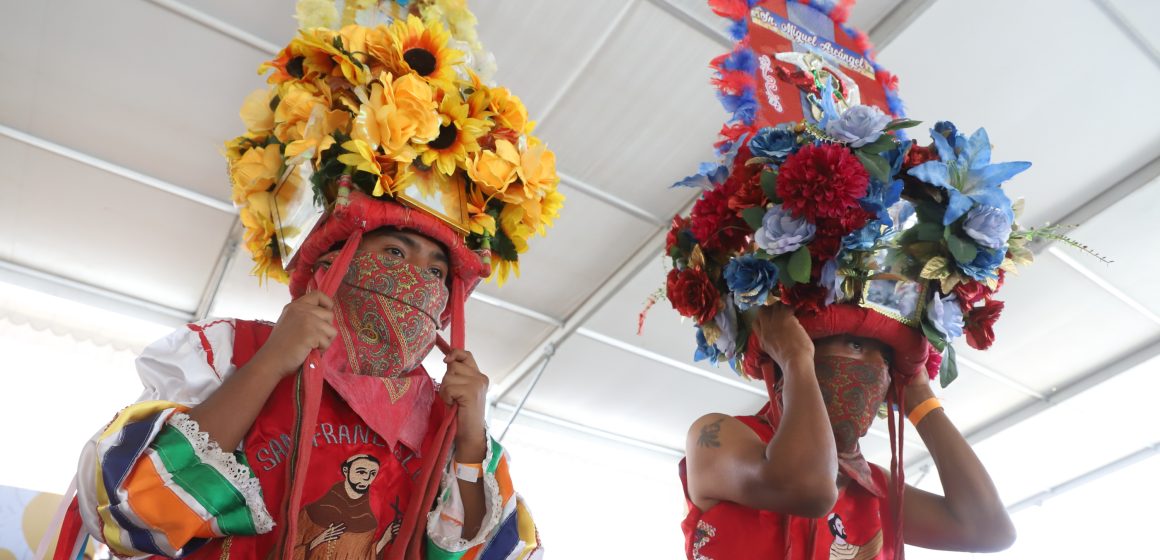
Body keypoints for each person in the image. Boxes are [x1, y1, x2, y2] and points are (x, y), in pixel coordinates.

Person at [58, 1, 562, 558]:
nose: (416, 278)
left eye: (438, 269)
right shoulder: (226, 351)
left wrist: (470, 437)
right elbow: (132, 507)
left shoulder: (443, 411)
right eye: (393, 250)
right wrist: (273, 360)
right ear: (331, 260)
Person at [681, 305, 1015, 559]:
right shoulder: (719, 436)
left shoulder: (872, 487)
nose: (874, 369)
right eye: (855, 345)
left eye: (885, 360)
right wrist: (795, 358)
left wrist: (921, 401)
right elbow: (809, 487)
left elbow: (988, 531)